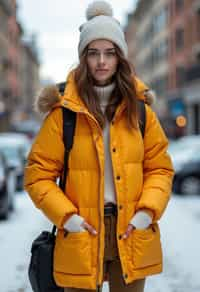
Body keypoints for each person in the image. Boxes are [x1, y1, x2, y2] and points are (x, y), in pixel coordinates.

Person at [24, 1, 174, 291]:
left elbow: (160, 169)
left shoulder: (141, 112)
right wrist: (69, 219)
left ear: (120, 57)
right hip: (81, 234)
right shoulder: (63, 114)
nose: (102, 62)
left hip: (131, 230)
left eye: (109, 53)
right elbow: (37, 175)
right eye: (93, 53)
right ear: (83, 57)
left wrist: (146, 213)